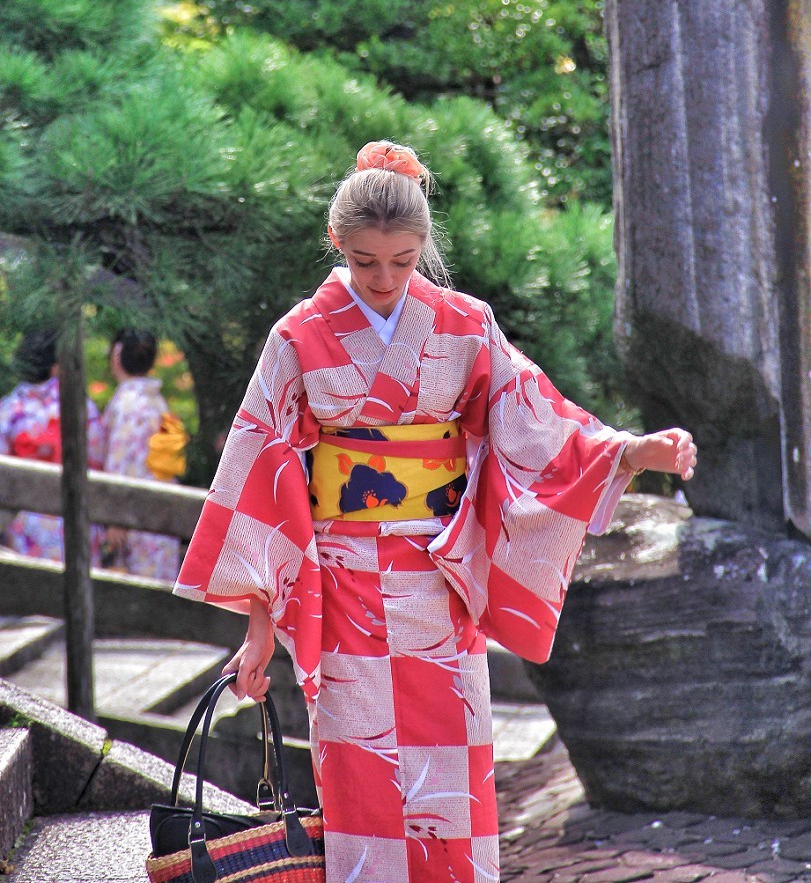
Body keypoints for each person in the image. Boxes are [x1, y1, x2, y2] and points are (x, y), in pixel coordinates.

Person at [174, 141, 697, 882]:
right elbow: (262, 473)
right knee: (360, 780)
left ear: (424, 248)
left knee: (451, 786)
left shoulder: (463, 323)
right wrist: (261, 629)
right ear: (336, 243)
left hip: (438, 579)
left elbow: (534, 423)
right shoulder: (297, 336)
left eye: (402, 260)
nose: (383, 279)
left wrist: (628, 452)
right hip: (343, 583)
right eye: (364, 261)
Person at [0, 329, 105, 562]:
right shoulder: (82, 408)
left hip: (24, 527)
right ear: (57, 365)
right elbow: (96, 463)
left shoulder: (9, 409)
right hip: (74, 522)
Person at [100, 328, 183, 580]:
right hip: (162, 509)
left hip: (135, 515)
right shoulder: (156, 400)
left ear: (117, 356)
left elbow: (120, 461)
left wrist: (115, 517)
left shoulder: (128, 404)